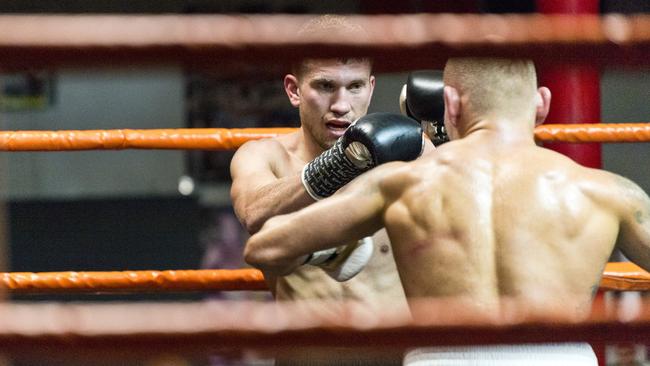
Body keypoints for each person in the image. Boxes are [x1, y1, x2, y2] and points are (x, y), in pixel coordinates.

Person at [245, 58, 650, 365]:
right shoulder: (607, 192)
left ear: (449, 105)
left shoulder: (403, 184)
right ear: (542, 104)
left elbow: (263, 249)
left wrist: (332, 252)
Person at [230, 15, 434, 365]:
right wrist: (338, 165)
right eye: (325, 87)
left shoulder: (410, 151)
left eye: (354, 87)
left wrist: (450, 141)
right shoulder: (266, 156)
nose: (341, 105)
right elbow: (252, 211)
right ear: (294, 90)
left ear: (370, 88)